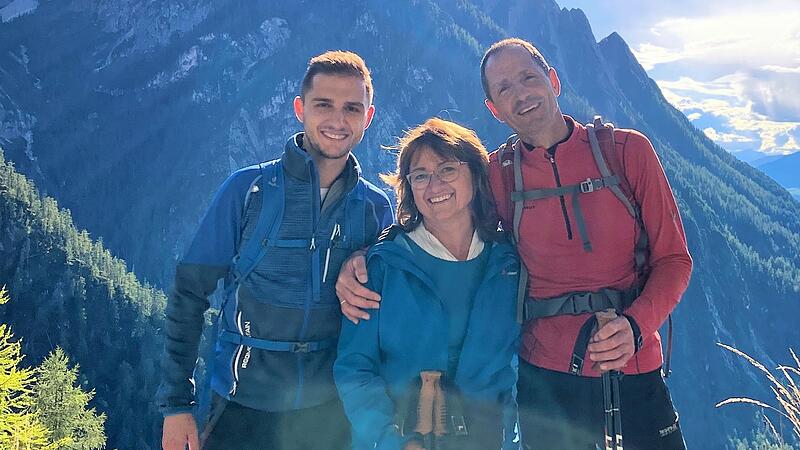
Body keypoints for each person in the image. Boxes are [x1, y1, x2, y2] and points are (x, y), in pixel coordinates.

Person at [337, 38, 692, 450]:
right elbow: (438, 215)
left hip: (633, 361)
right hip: (545, 379)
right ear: (493, 108)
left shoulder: (628, 153)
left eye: (528, 77)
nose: (520, 94)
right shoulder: (498, 174)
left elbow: (674, 260)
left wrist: (635, 325)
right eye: (503, 88)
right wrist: (367, 257)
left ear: (553, 80)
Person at [158, 50, 393, 450]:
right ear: (300, 109)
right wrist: (176, 405)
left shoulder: (374, 209)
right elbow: (188, 294)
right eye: (324, 105)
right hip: (239, 405)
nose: (338, 121)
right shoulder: (248, 191)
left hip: (330, 412)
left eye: (352, 108)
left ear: (368, 117)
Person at [334, 118, 520, 450]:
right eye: (420, 176)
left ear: (476, 175)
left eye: (447, 169)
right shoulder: (382, 267)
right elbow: (355, 369)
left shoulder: (506, 265)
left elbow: (517, 368)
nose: (434, 185)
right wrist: (392, 442)